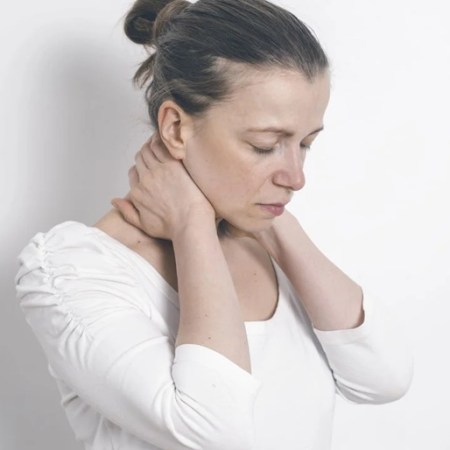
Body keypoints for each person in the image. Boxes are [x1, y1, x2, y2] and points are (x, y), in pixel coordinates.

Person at [15, 0, 413, 449]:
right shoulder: (73, 269)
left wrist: (273, 227)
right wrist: (192, 225)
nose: (296, 177)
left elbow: (384, 378)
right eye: (265, 145)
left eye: (305, 144)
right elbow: (214, 430)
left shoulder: (264, 241)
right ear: (175, 128)